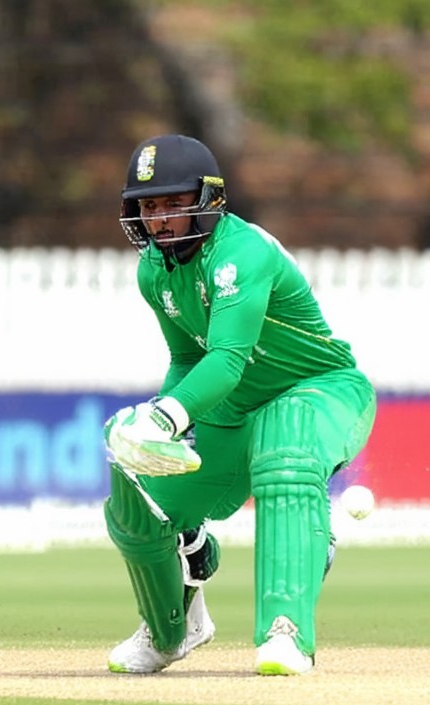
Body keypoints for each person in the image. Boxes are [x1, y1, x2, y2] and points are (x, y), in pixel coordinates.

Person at [101, 134, 375, 676]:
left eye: (172, 204)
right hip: (233, 409)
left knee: (287, 450)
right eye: (148, 207)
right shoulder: (153, 271)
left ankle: (285, 632)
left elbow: (227, 359)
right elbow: (188, 358)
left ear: (209, 199)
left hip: (319, 388)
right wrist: (170, 420)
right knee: (136, 489)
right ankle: (170, 629)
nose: (158, 220)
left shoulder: (242, 253)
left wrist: (164, 416)